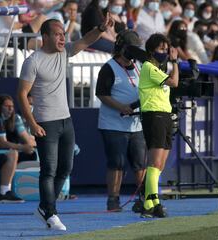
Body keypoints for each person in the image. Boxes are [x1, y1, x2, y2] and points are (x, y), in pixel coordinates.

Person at [17, 15, 114, 231]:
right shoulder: (33, 61)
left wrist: (100, 28)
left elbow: (86, 40)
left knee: (65, 168)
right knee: (48, 170)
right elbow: (22, 94)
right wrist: (32, 123)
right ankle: (50, 212)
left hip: (66, 121)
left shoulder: (64, 51)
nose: (63, 38)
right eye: (58, 34)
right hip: (45, 122)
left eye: (63, 34)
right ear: (45, 37)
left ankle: (45, 207)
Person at [95, 29, 146, 212]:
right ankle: (113, 200)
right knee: (116, 163)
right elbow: (101, 94)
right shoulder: (109, 67)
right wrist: (120, 107)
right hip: (113, 124)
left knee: (140, 163)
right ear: (121, 48)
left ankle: (144, 199)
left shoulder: (139, 66)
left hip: (136, 124)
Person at [138, 33, 178, 218]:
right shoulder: (148, 67)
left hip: (165, 116)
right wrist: (175, 62)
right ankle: (152, 203)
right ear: (151, 50)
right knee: (154, 163)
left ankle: (150, 202)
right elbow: (174, 82)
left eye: (165, 49)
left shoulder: (158, 69)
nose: (164, 52)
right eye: (161, 49)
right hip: (154, 117)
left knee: (159, 164)